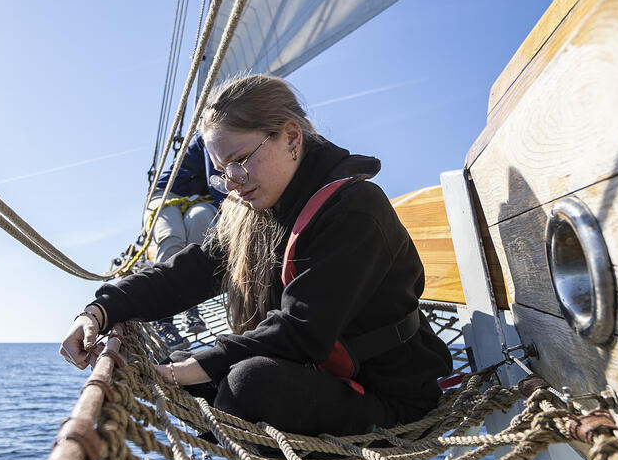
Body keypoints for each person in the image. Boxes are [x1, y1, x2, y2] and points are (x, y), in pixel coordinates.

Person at [61, 74, 452, 440]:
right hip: (321, 378)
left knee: (244, 384)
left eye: (240, 161)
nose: (231, 183)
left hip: (392, 401)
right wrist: (98, 310)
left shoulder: (354, 210)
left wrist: (188, 372)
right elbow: (186, 273)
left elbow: (301, 333)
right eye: (220, 172)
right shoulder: (258, 212)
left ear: (290, 137)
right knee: (187, 364)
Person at [145, 134, 226, 350]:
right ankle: (162, 320)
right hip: (165, 194)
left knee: (201, 226)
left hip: (200, 201)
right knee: (172, 238)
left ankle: (190, 303)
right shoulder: (212, 135)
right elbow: (217, 181)